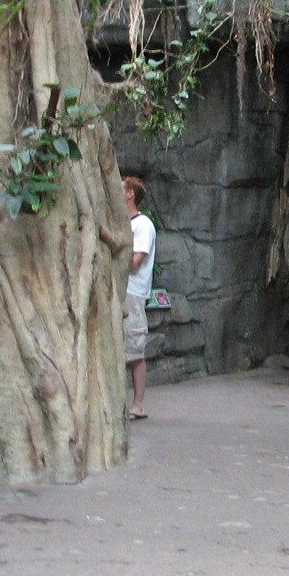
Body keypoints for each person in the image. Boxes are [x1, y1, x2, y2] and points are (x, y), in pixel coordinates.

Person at [122, 175, 156, 421]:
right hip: (121, 291)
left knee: (134, 349)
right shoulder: (124, 223)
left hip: (132, 292)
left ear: (130, 194)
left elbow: (135, 261)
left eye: (121, 188)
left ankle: (138, 404)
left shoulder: (142, 225)